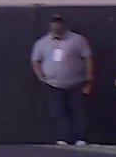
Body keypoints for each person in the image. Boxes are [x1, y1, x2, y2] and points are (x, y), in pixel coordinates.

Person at [31, 15, 94, 147]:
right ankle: (63, 137)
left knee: (78, 111)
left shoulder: (77, 40)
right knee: (58, 112)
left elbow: (88, 58)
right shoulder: (42, 42)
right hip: (53, 84)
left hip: (76, 82)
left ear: (64, 25)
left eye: (59, 23)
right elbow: (35, 60)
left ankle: (80, 137)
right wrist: (41, 76)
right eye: (54, 23)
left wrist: (89, 79)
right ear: (50, 26)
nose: (56, 26)